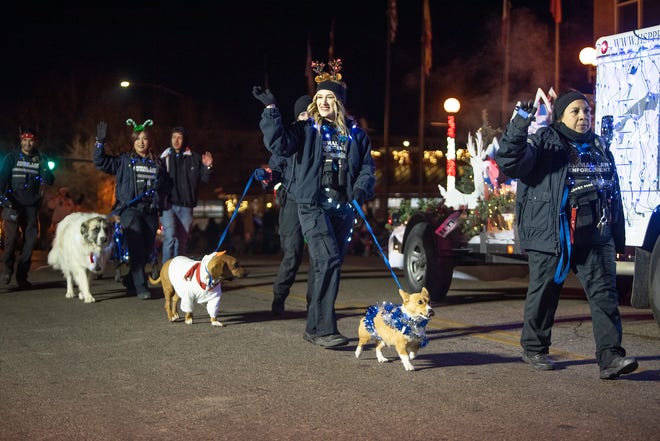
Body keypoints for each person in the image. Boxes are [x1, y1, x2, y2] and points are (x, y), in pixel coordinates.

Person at [495, 91, 638, 380]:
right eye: (575, 111)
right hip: (554, 232)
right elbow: (510, 162)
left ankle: (610, 357)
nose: (584, 116)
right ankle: (535, 348)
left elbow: (613, 192)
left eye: (587, 110)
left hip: (595, 233)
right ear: (560, 116)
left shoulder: (598, 145)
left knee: (605, 296)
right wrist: (520, 124)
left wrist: (616, 234)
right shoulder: (544, 142)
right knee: (545, 293)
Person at [253, 59, 376, 347]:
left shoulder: (355, 134)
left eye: (328, 97)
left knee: (328, 265)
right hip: (312, 205)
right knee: (327, 259)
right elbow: (279, 146)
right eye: (319, 97)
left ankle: (314, 327)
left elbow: (368, 168)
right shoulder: (307, 129)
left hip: (343, 208)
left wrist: (360, 188)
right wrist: (271, 110)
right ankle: (323, 329)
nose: (322, 102)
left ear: (339, 102)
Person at [93, 118, 170, 299]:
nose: (141, 142)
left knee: (146, 249)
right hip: (129, 210)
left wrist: (162, 188)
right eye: (137, 139)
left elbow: (167, 184)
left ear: (149, 141)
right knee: (136, 246)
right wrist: (99, 143)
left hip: (150, 211)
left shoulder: (157, 163)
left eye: (144, 138)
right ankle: (141, 286)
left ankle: (130, 280)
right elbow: (100, 162)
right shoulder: (123, 161)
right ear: (133, 142)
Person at [268, 94, 312, 315]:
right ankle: (279, 297)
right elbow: (275, 166)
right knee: (292, 253)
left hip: (314, 202)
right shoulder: (290, 137)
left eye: (310, 113)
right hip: (292, 201)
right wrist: (270, 179)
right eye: (303, 114)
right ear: (297, 117)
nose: (307, 117)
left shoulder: (319, 137)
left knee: (317, 256)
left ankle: (315, 305)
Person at [0, 128, 55, 289]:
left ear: (35, 141)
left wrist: (45, 168)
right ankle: (8, 269)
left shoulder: (40, 159)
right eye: (24, 140)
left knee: (30, 242)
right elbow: (2, 180)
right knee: (10, 242)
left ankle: (22, 276)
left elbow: (50, 180)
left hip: (31, 206)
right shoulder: (11, 158)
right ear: (20, 140)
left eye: (30, 140)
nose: (27, 143)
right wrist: (3, 199)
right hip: (13, 205)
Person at [159, 126, 213, 263]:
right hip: (168, 205)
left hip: (186, 206)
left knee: (181, 242)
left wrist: (207, 167)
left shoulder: (194, 158)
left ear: (184, 140)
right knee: (170, 237)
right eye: (174, 137)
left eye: (180, 137)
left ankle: (178, 272)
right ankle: (166, 271)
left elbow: (205, 179)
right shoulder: (164, 157)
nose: (176, 141)